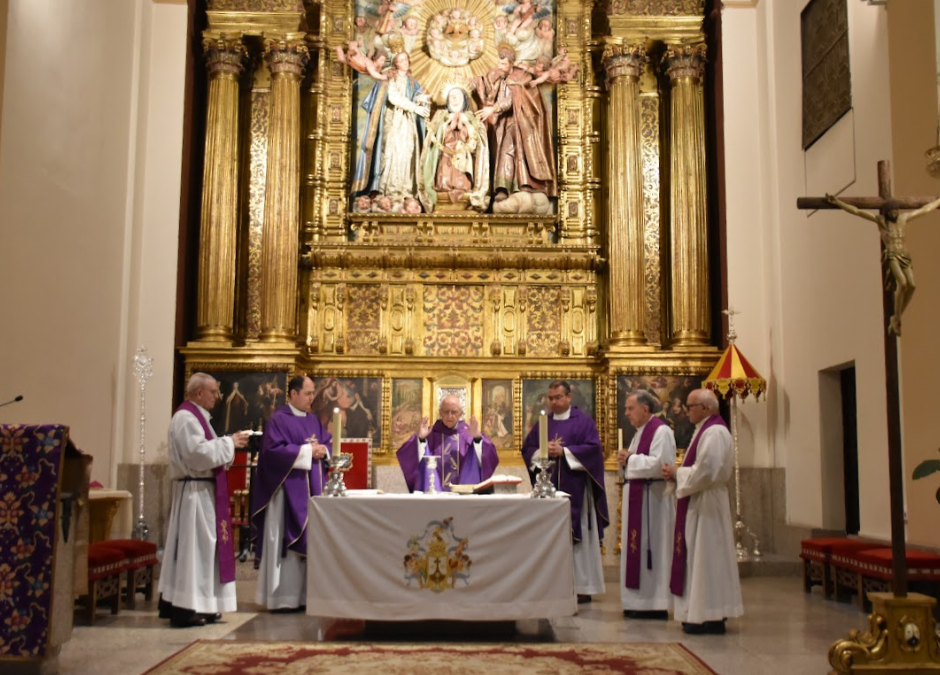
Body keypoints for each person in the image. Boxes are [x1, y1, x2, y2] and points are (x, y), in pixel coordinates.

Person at [158, 373, 249, 628]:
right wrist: (229, 442)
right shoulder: (186, 419)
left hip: (204, 492)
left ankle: (205, 604)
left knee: (206, 551)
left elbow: (210, 452)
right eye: (213, 392)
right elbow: (198, 455)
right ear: (198, 393)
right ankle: (186, 608)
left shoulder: (199, 418)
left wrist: (228, 445)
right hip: (194, 495)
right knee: (194, 552)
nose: (217, 397)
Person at [661, 388, 743, 634]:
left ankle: (710, 614)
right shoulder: (705, 430)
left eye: (691, 406)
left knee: (707, 558)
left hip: (707, 504)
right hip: (699, 500)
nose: (687, 411)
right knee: (700, 558)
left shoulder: (715, 432)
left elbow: (708, 471)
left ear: (706, 408)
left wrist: (677, 473)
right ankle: (701, 612)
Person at [521, 380, 608, 603]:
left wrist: (565, 451)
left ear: (569, 397)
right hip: (550, 487)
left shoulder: (583, 422)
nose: (554, 402)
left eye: (558, 397)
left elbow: (594, 451)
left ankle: (581, 586)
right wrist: (542, 451)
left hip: (576, 487)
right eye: (551, 398)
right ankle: (552, 584)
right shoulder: (543, 423)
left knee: (578, 536)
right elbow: (528, 448)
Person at [251, 375, 331, 611]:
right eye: (307, 393)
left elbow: (327, 443)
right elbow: (272, 453)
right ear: (293, 394)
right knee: (286, 544)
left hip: (313, 492)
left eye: (312, 393)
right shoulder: (278, 420)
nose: (311, 398)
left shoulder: (314, 420)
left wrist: (323, 450)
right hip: (286, 494)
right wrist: (308, 451)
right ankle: (283, 598)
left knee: (312, 540)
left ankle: (306, 597)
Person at [825, 193, 940, 335]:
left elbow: (925, 210)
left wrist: (939, 201)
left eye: (896, 210)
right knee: (902, 284)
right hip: (891, 254)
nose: (895, 212)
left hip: (904, 254)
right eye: (892, 211)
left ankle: (896, 318)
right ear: (887, 212)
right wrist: (838, 202)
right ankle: (896, 319)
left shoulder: (903, 219)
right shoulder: (881, 222)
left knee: (912, 285)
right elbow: (857, 211)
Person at [471, 44, 556, 207]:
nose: (500, 67)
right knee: (505, 151)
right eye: (499, 63)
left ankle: (510, 187)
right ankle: (507, 187)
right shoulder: (500, 79)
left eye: (503, 64)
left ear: (511, 62)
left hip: (522, 122)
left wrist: (494, 108)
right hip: (504, 122)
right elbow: (486, 84)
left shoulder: (521, 76)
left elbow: (513, 99)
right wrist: (474, 83)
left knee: (509, 151)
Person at [617, 391, 676, 620]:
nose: (627, 413)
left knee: (652, 549)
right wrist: (626, 460)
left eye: (630, 408)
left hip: (653, 501)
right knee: (636, 549)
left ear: (645, 408)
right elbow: (634, 463)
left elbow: (660, 464)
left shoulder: (661, 431)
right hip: (638, 499)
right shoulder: (639, 433)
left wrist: (629, 459)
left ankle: (654, 602)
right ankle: (637, 601)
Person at [351, 51, 429, 201]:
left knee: (408, 152)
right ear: (396, 64)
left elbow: (414, 96)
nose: (404, 62)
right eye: (401, 60)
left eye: (406, 59)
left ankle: (405, 189)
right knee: (393, 151)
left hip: (408, 123)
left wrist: (421, 98)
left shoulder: (412, 81)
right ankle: (389, 189)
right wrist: (414, 107)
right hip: (393, 122)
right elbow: (394, 97)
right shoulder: (390, 79)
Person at [396, 395, 498, 492]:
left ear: (461, 413)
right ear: (440, 412)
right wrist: (421, 440)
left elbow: (488, 458)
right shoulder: (430, 433)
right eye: (446, 411)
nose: (450, 416)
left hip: (463, 496)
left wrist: (477, 439)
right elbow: (409, 456)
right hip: (436, 497)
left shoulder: (468, 433)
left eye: (454, 412)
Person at [418, 86, 489, 212]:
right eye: (451, 96)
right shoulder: (440, 115)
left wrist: (465, 124)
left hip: (463, 155)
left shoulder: (471, 117)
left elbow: (478, 140)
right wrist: (447, 125)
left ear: (464, 99)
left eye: (457, 95)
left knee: (462, 178)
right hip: (445, 153)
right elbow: (432, 138)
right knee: (444, 174)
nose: (454, 98)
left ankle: (464, 188)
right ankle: (443, 188)